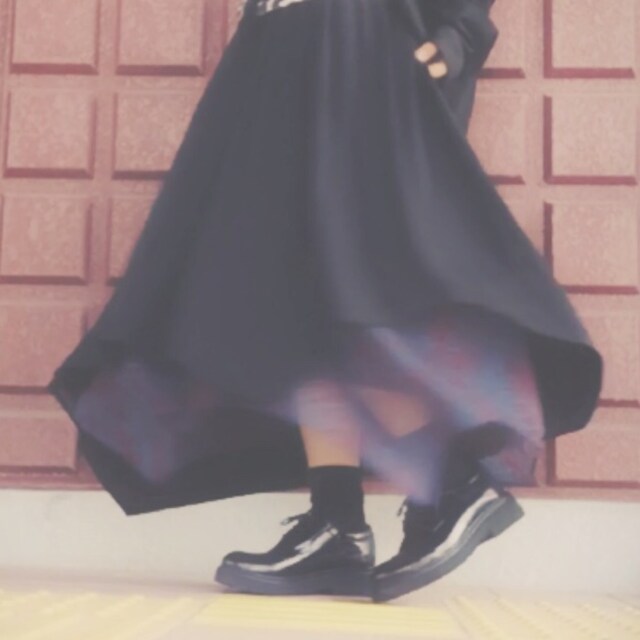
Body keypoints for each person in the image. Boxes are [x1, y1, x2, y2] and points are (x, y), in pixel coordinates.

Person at [47, 0, 602, 602]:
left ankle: (449, 484)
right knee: (294, 291)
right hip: (274, 48)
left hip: (353, 44)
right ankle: (338, 519)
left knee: (360, 276)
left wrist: (460, 32)